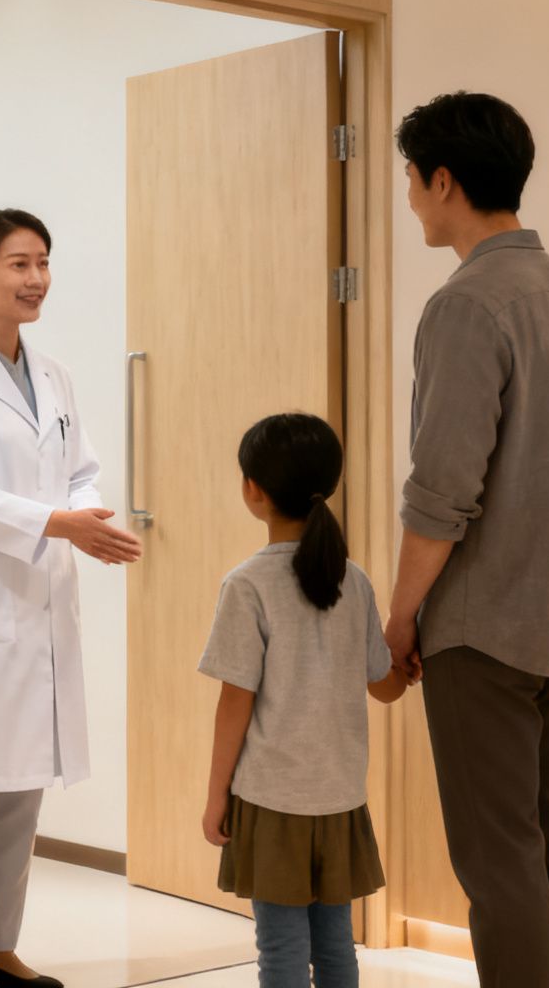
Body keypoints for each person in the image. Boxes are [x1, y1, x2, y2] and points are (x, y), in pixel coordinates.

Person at [383, 91, 549, 988]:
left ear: (444, 181)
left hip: (481, 634)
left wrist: (399, 618)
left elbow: (440, 494)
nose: (410, 199)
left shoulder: (468, 307)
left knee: (498, 860)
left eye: (412, 180)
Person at [0, 208, 145, 988]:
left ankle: (1, 944)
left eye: (42, 262)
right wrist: (58, 522)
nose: (36, 279)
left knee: (20, 792)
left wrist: (87, 511)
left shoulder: (54, 375)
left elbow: (82, 468)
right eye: (18, 264)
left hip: (39, 597)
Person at [198, 412, 409, 988]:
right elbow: (384, 685)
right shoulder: (353, 579)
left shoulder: (247, 585)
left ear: (253, 491)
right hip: (340, 797)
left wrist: (217, 796)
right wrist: (409, 667)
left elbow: (234, 705)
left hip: (272, 801)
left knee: (282, 950)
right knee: (337, 943)